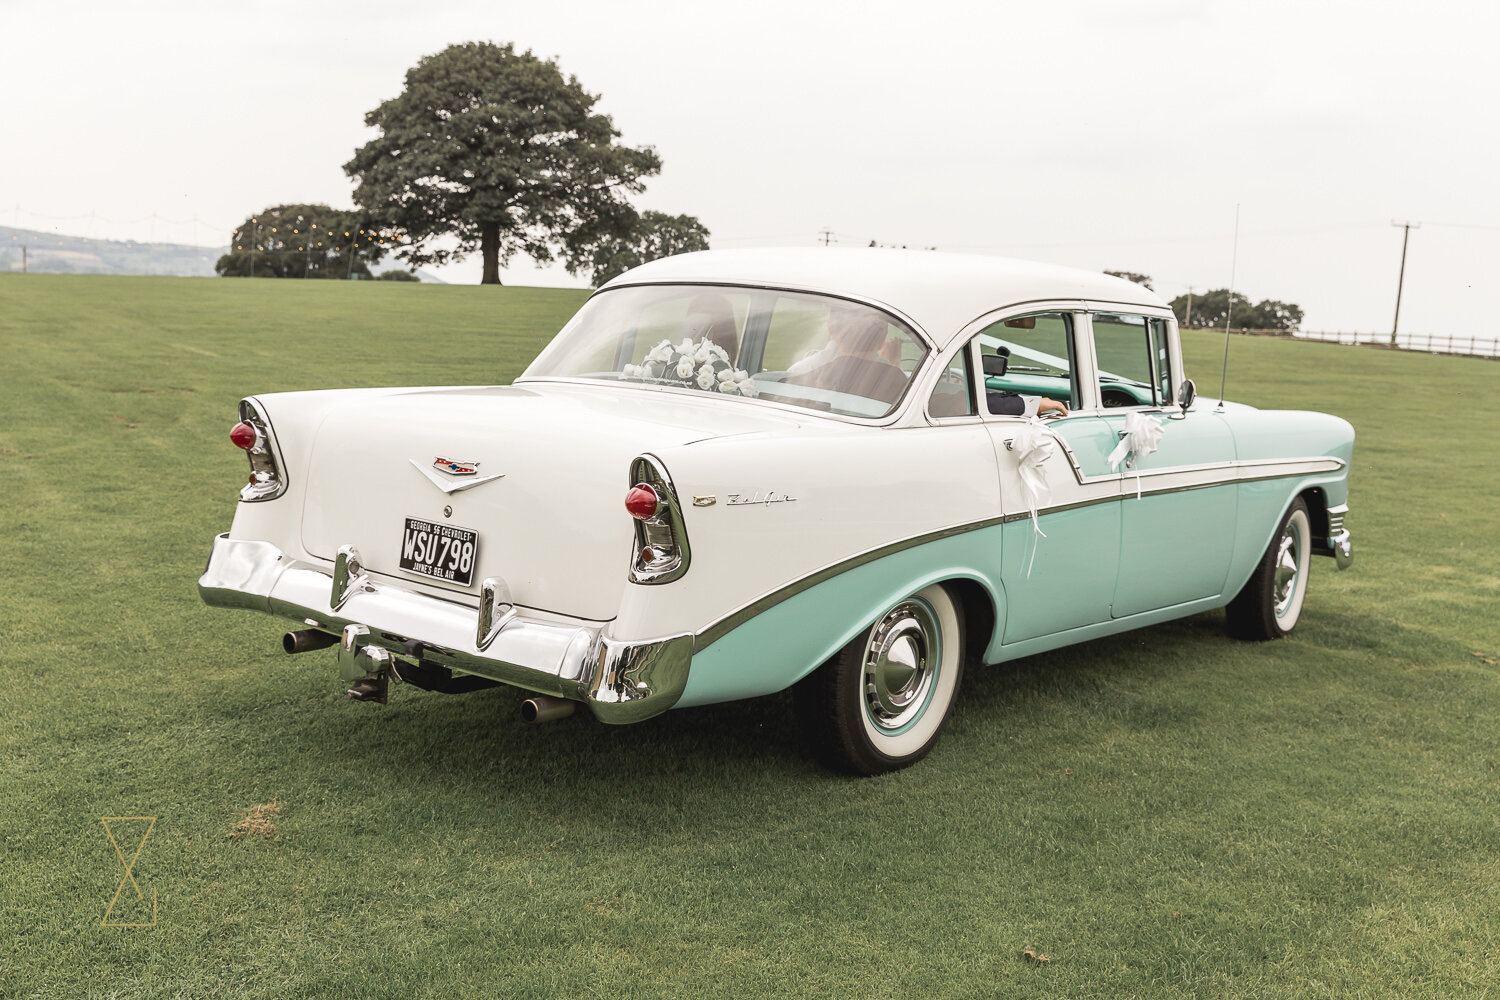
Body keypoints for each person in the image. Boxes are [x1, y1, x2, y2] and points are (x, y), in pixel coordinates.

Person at [785, 306, 909, 403]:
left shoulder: (799, 374)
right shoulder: (896, 382)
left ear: (831, 331)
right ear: (883, 338)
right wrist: (893, 363)